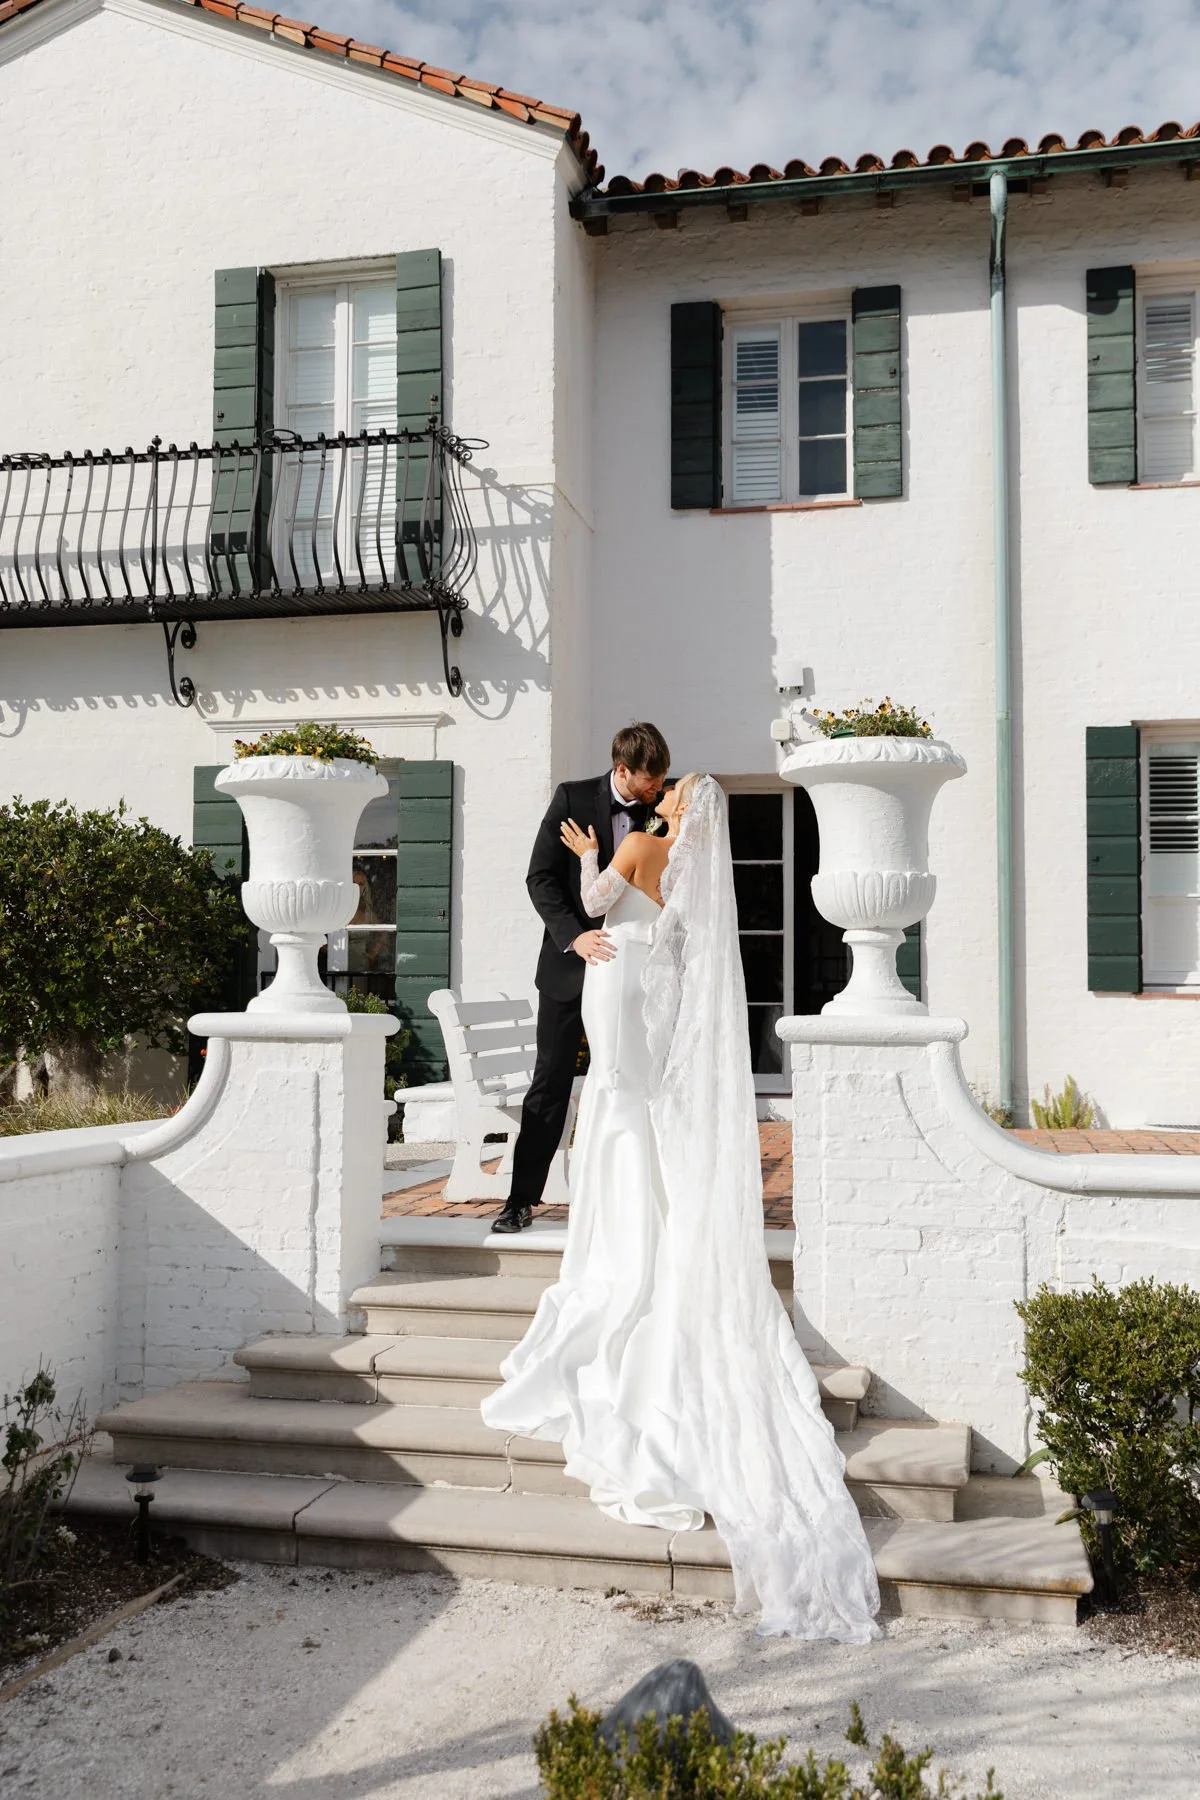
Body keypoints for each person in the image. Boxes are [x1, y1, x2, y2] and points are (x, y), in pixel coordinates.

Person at [481, 774, 881, 1642]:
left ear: (668, 796)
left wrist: (596, 859)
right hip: (626, 972)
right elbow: (563, 897)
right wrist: (582, 923)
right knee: (616, 1102)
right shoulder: (680, 853)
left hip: (616, 975)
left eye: (665, 790)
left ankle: (617, 1235)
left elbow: (592, 892)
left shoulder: (634, 842)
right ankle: (548, 1204)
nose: (654, 794)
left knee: (617, 1105)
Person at [492, 723, 671, 1235]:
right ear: (621, 769)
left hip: (633, 972)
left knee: (633, 1077)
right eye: (648, 780)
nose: (657, 789)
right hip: (571, 968)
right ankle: (521, 1200)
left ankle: (634, 1204)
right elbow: (541, 878)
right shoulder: (571, 798)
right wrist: (575, 938)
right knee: (550, 1082)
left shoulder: (660, 812)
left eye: (660, 780)